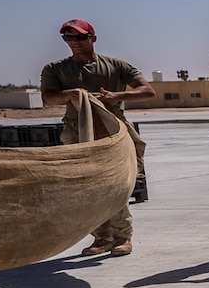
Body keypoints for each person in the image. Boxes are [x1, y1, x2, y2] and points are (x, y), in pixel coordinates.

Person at [39, 19, 155, 256]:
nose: (74, 43)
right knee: (87, 188)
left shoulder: (114, 66)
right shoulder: (56, 69)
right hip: (76, 131)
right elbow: (48, 98)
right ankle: (101, 237)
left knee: (115, 184)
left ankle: (122, 236)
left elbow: (146, 90)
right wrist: (68, 94)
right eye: (68, 38)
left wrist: (117, 96)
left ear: (92, 37)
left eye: (80, 37)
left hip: (111, 131)